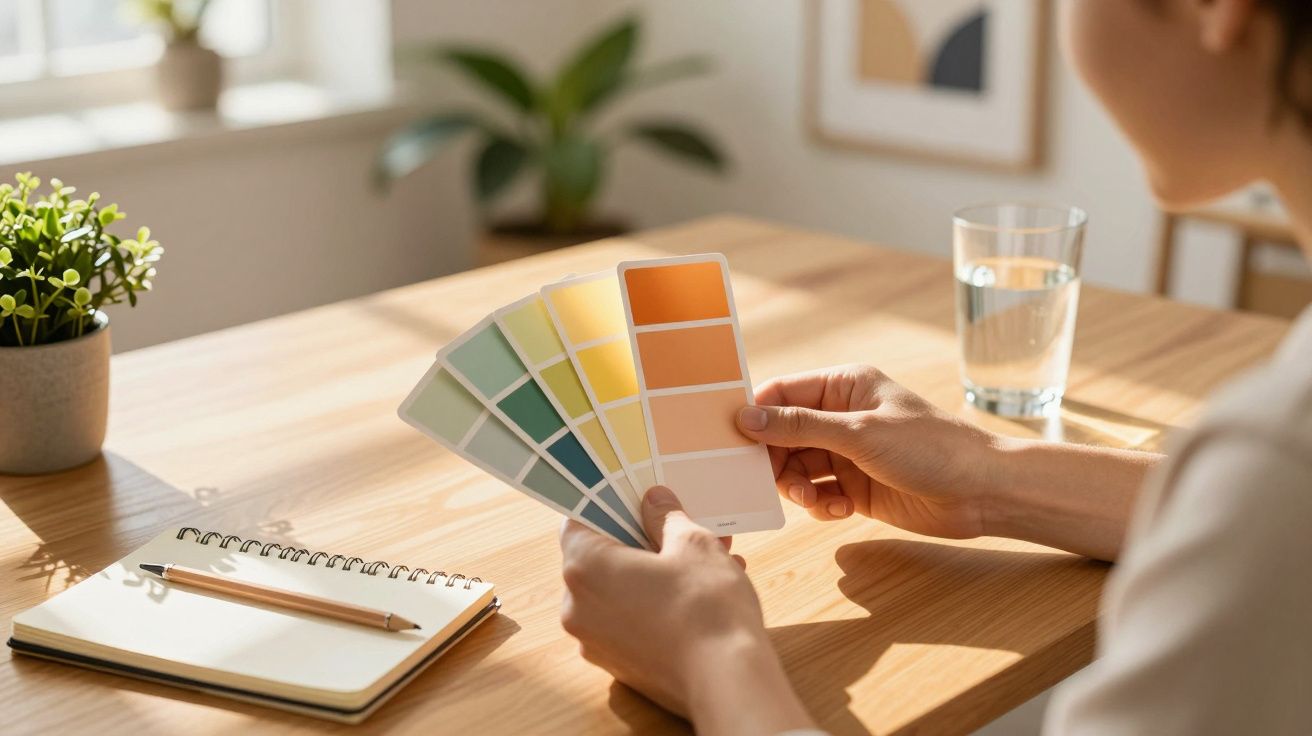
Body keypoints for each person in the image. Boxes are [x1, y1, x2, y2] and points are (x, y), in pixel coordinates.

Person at [557, 1, 1312, 734]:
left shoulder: (1277, 455)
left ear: (1217, 7)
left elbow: (1271, 505)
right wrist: (987, 476)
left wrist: (711, 660)